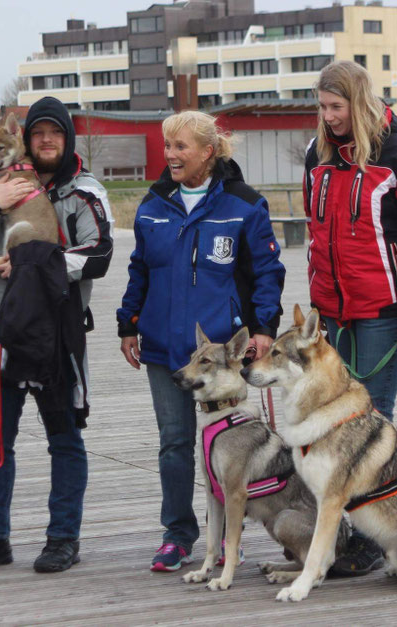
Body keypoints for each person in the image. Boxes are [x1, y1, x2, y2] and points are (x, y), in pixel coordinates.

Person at [0, 97, 114, 573]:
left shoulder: (84, 192)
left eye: (54, 134)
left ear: (67, 139)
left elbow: (99, 255)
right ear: (25, 138)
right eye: (38, 133)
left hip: (57, 331)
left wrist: (31, 264)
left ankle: (63, 539)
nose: (45, 141)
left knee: (64, 437)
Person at [117, 111, 285, 572]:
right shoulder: (153, 204)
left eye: (180, 146)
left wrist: (264, 328)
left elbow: (266, 273)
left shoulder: (244, 204)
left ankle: (230, 539)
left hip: (221, 359)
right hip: (165, 348)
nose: (170, 155)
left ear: (208, 152)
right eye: (167, 146)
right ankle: (177, 534)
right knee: (174, 443)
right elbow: (140, 269)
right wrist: (128, 322)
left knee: (227, 449)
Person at [303, 60, 397, 575]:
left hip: (385, 309)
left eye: (335, 107)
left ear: (358, 104)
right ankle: (339, 529)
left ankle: (371, 539)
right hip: (333, 311)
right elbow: (316, 235)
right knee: (333, 424)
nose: (328, 116)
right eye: (321, 106)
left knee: (370, 423)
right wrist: (314, 307)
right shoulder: (315, 155)